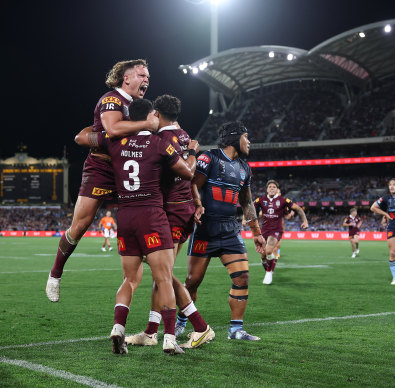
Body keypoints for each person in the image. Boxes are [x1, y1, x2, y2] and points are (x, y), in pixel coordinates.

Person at [75, 98, 198, 354]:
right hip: (152, 215)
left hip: (126, 216)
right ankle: (168, 339)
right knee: (163, 279)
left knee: (129, 280)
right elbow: (187, 173)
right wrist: (193, 152)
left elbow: (83, 137)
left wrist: (109, 125)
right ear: (151, 115)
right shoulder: (159, 144)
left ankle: (118, 328)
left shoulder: (113, 142)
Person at [46, 59, 157, 302]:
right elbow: (113, 128)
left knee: (141, 211)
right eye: (141, 74)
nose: (146, 79)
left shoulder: (138, 105)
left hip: (127, 167)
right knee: (80, 225)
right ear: (126, 78)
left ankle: (148, 249)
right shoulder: (112, 99)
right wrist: (147, 124)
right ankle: (55, 274)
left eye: (148, 75)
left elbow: (92, 132)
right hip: (101, 168)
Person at [124, 94, 214, 349]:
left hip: (171, 211)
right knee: (160, 272)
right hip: (182, 207)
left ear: (157, 114)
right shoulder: (185, 135)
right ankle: (152, 332)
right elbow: (189, 174)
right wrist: (196, 201)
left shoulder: (161, 139)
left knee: (164, 273)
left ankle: (200, 326)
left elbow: (187, 170)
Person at [179, 121, 265, 342]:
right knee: (192, 281)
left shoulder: (245, 167)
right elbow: (193, 186)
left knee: (243, 277)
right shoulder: (210, 158)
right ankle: (180, 322)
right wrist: (193, 209)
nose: (249, 142)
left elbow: (246, 202)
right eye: (247, 137)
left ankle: (235, 330)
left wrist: (256, 231)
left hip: (230, 229)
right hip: (205, 229)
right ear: (235, 137)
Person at [254, 180, 308, 285]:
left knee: (273, 250)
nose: (272, 189)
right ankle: (267, 265)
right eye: (270, 187)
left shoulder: (283, 202)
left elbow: (289, 215)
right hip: (264, 230)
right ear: (267, 189)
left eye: (274, 187)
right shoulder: (262, 200)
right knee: (263, 255)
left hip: (277, 230)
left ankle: (270, 272)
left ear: (278, 190)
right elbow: (258, 212)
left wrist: (301, 219)